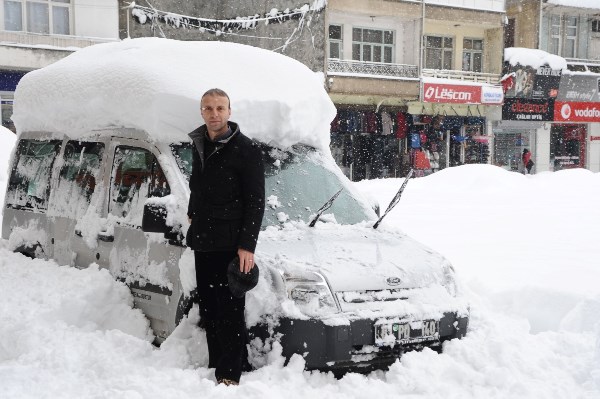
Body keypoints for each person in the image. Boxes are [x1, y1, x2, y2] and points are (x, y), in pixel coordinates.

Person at [186, 88, 265, 386]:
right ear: (202, 112)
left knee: (230, 309)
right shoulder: (199, 144)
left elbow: (256, 201)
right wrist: (193, 213)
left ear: (230, 112)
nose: (214, 113)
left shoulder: (246, 150)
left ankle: (231, 373)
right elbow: (197, 185)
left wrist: (247, 246)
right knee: (209, 307)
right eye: (208, 108)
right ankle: (216, 363)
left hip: (231, 244)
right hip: (203, 240)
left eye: (220, 108)